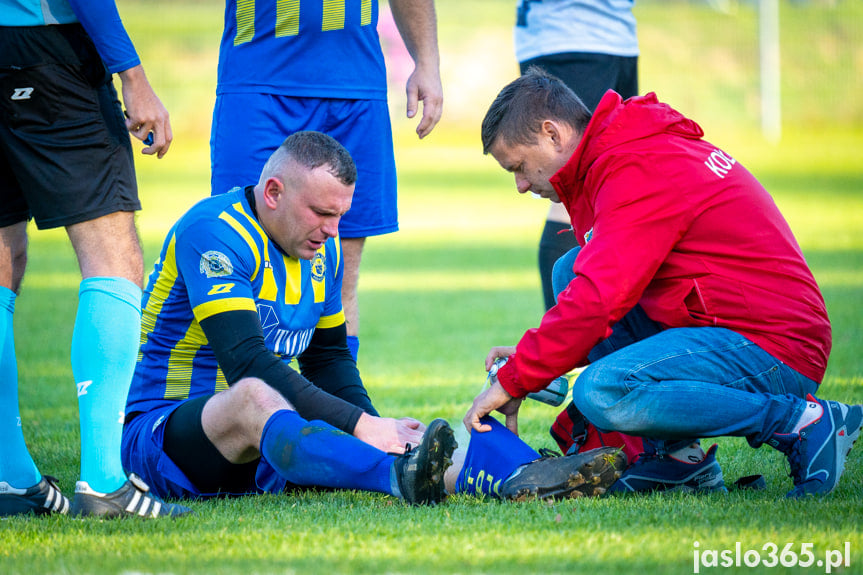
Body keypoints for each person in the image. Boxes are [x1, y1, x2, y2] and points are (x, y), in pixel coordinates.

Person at [464, 67, 862, 498]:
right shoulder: (621, 149)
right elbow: (600, 289)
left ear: (552, 134)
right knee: (569, 270)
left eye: (519, 167)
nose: (521, 185)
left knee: (605, 390)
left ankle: (802, 423)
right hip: (730, 322)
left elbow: (598, 300)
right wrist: (531, 360)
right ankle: (678, 460)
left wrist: (517, 376)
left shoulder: (636, 165)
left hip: (778, 345)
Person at [121, 131, 456, 505]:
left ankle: (508, 476)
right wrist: (361, 426)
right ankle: (394, 476)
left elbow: (328, 360)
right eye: (322, 213)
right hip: (164, 439)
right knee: (252, 395)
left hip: (271, 435)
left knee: (415, 437)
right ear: (274, 193)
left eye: (340, 215)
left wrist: (381, 430)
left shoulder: (323, 250)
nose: (333, 231)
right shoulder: (214, 232)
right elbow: (248, 365)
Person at [0, 0, 180, 518]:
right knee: (112, 255)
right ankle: (105, 484)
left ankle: (10, 476)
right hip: (48, 49)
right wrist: (133, 76)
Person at [210, 0, 443, 362]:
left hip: (355, 87)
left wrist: (427, 62)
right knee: (243, 261)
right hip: (258, 81)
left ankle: (340, 405)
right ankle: (248, 409)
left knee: (339, 272)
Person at [514, 0, 639, 312]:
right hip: (570, 36)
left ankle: (600, 341)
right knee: (571, 195)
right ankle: (561, 346)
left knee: (618, 187)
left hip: (617, 34)